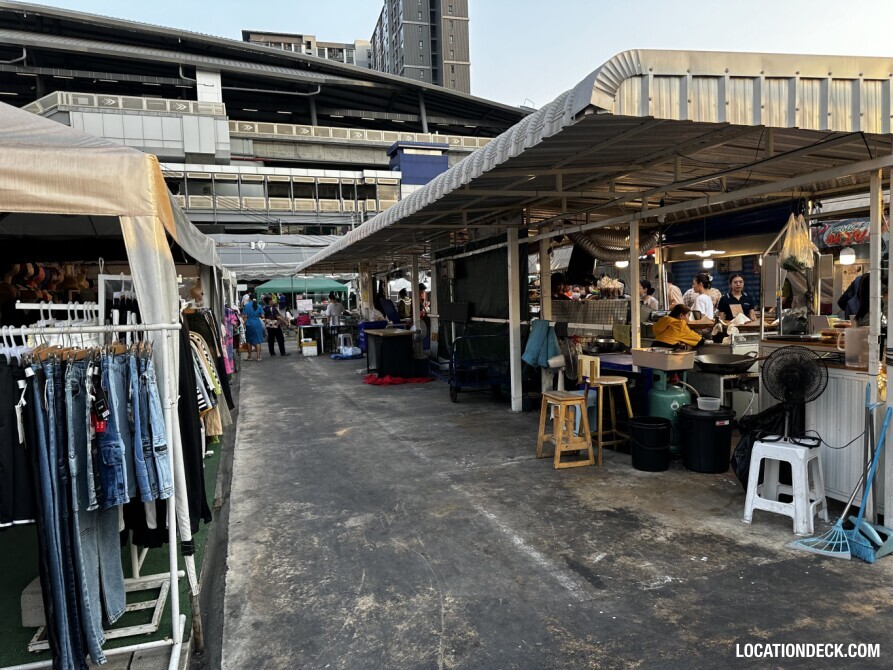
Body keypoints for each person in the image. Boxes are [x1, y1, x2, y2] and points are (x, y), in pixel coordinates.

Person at [241, 296, 265, 361]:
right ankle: (258, 357)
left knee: (249, 341)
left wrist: (243, 324)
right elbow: (263, 316)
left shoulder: (246, 306)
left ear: (249, 299)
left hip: (249, 324)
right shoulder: (259, 306)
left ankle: (250, 357)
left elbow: (245, 316)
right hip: (257, 324)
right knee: (258, 341)